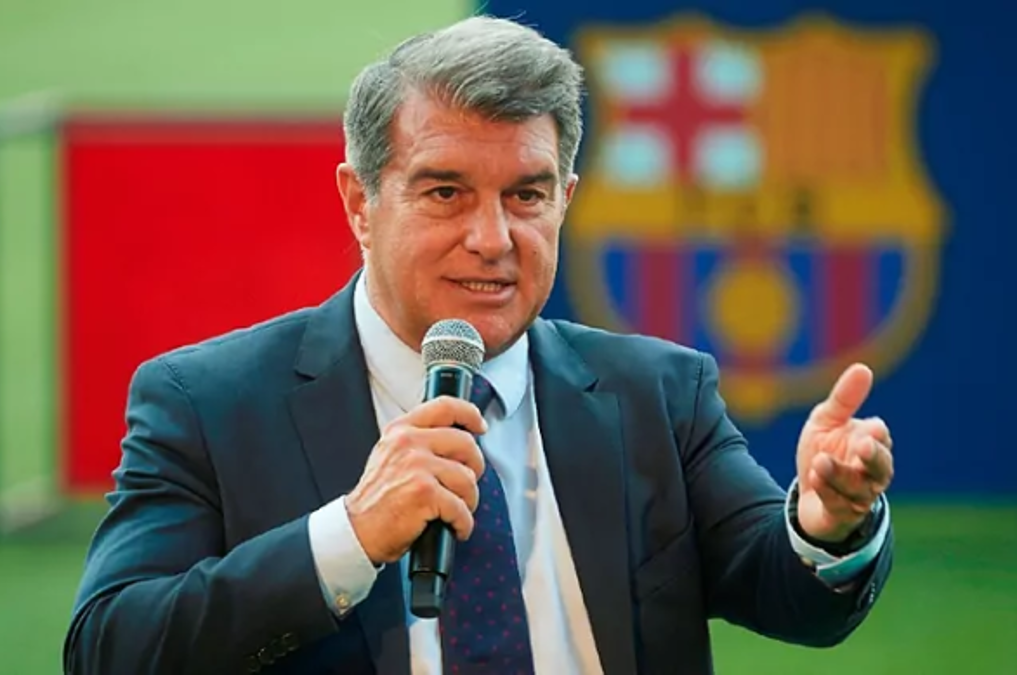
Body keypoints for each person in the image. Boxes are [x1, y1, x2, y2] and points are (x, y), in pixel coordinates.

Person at [63, 15, 895, 675]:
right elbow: (111, 647)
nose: (492, 238)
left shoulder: (660, 393)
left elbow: (791, 593)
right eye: (445, 192)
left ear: (565, 199)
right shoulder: (209, 403)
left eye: (526, 195)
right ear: (360, 202)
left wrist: (826, 522)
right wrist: (350, 534)